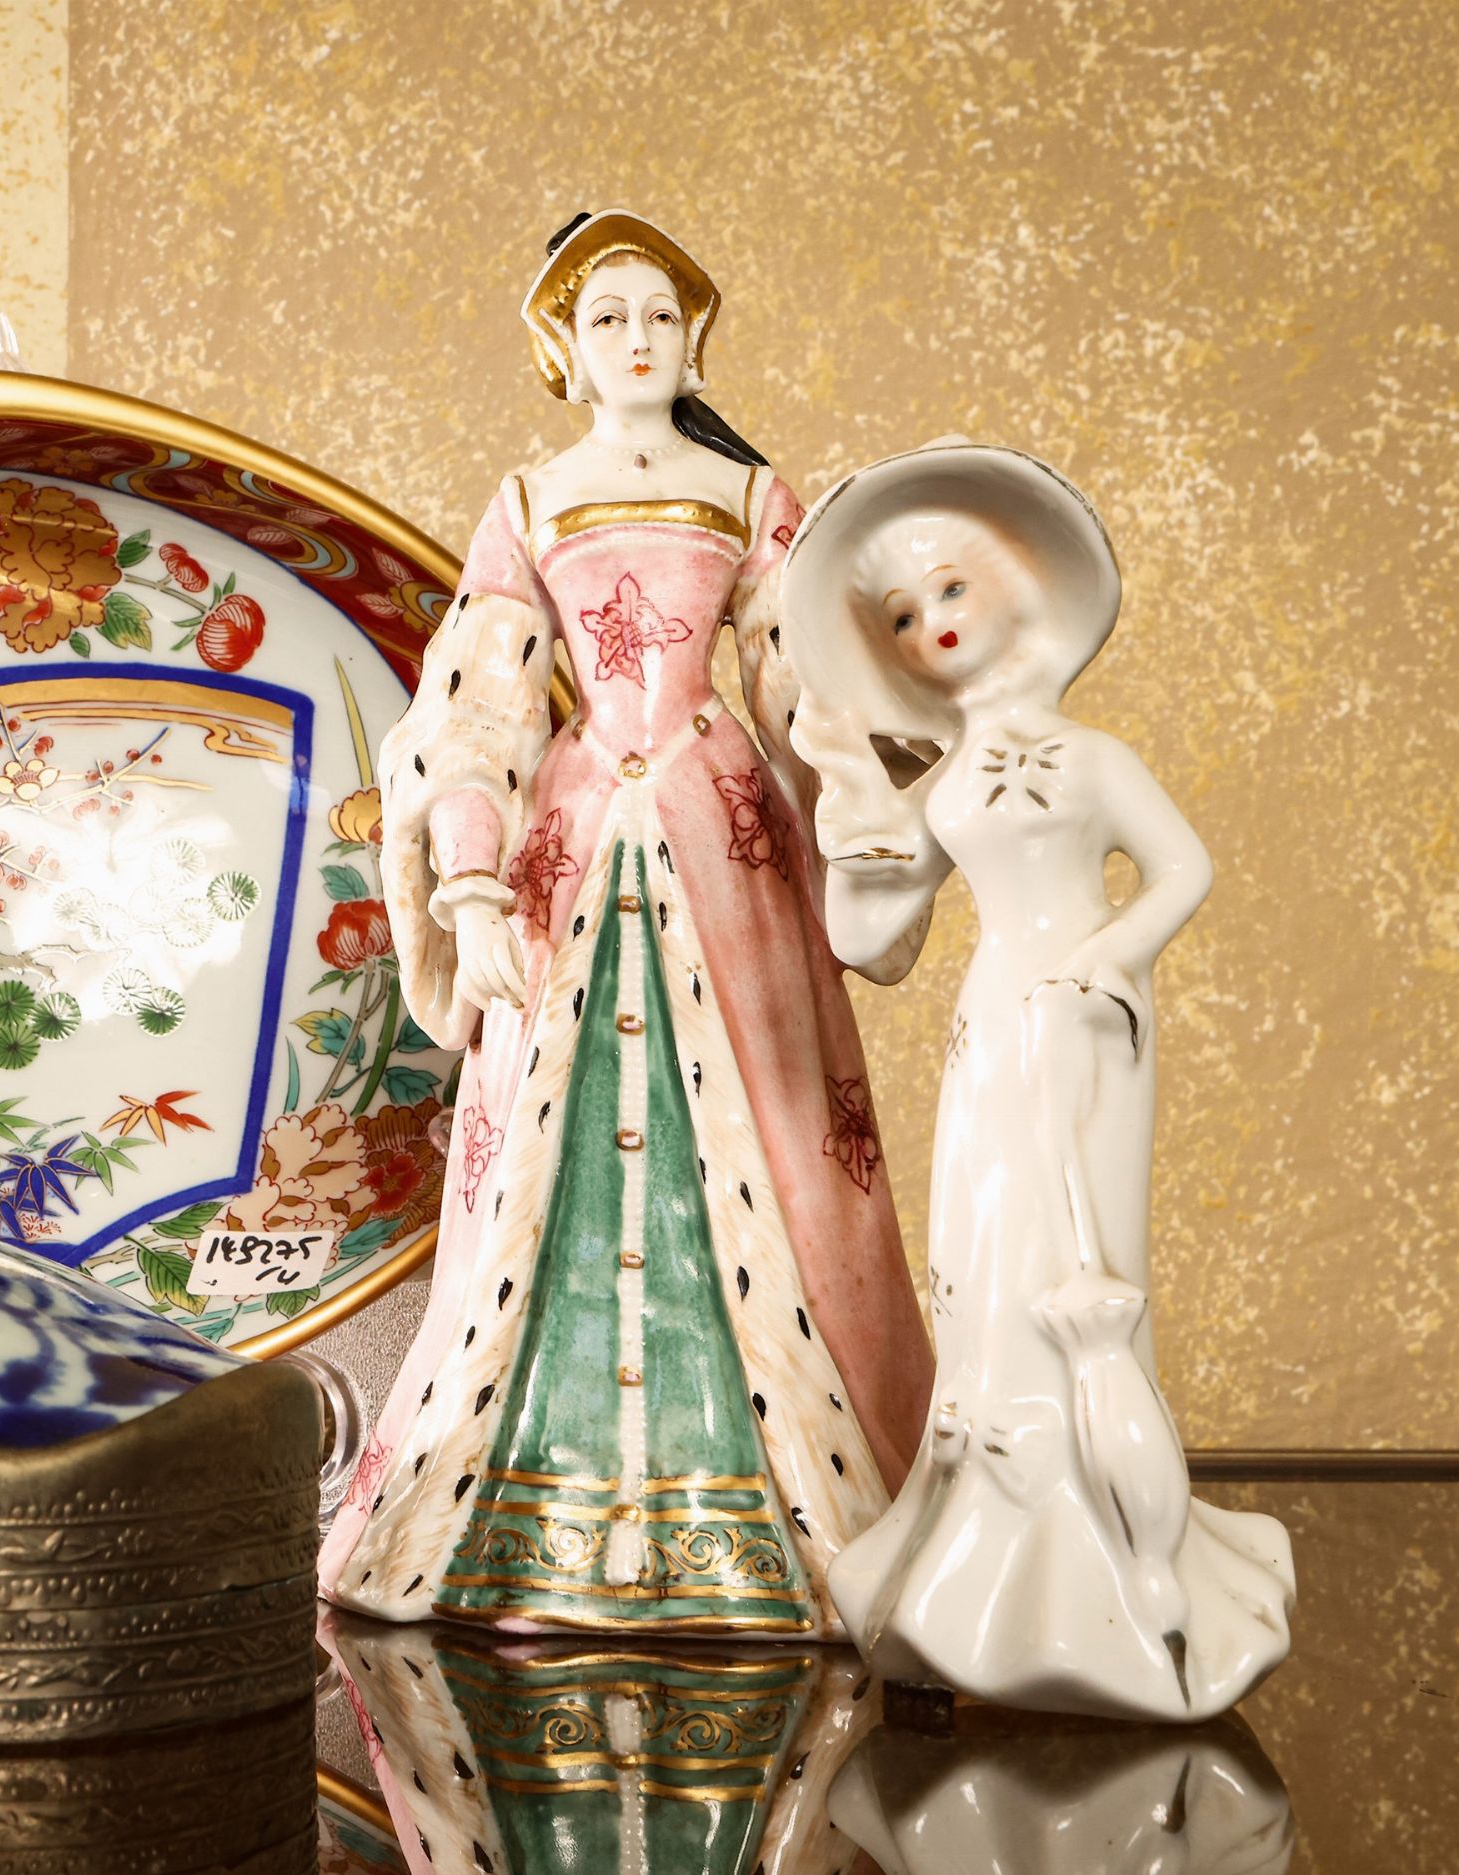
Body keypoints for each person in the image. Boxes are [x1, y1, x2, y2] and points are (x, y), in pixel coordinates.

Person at [317, 211, 931, 1636]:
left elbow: (797, 679)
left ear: (694, 339)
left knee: (772, 1125)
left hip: (722, 830)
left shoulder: (752, 492)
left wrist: (865, 798)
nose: (638, 338)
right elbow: (480, 698)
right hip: (577, 829)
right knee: (554, 1137)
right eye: (608, 318)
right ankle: (534, 1501)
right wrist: (472, 880)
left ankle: (789, 1502)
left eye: (660, 314)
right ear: (566, 351)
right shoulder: (531, 500)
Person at [784, 439, 1294, 1717]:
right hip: (994, 1024)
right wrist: (847, 806)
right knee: (984, 1242)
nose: (932, 625)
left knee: (1082, 1259)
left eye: (950, 590)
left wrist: (1112, 959)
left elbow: (1181, 869)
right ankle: (987, 1531)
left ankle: (1121, 1555)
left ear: (1011, 589)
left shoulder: (1094, 757)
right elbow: (865, 934)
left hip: (1088, 1023)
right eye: (904, 616)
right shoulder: (947, 779)